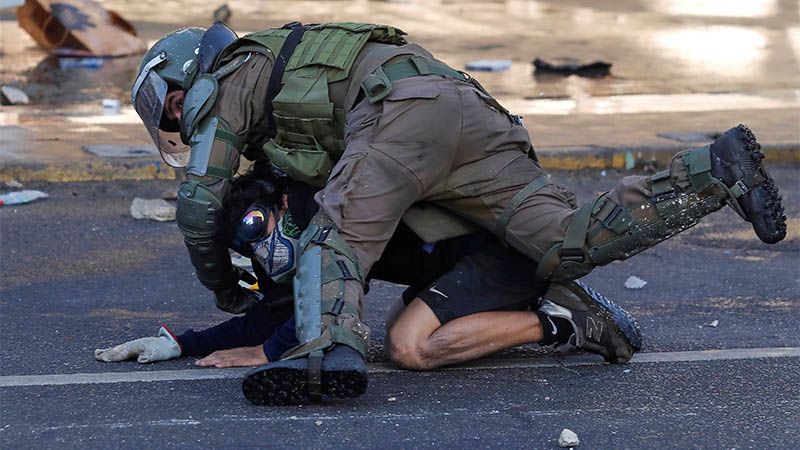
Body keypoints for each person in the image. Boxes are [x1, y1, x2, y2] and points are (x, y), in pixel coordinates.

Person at [131, 21, 786, 405]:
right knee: (566, 240)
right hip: (466, 109)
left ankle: (323, 357)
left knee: (337, 234)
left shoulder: (231, 77)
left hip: (399, 110)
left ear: (186, 78)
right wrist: (191, 341)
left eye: (170, 106)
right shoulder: (285, 119)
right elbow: (289, 279)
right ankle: (712, 171)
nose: (179, 122)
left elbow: (198, 202)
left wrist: (225, 291)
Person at [95, 171, 641, 402]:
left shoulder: (327, 209)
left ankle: (566, 323)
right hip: (457, 261)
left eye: (257, 227)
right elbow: (281, 310)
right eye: (247, 246)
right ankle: (544, 303)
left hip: (498, 253)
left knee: (409, 346)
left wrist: (269, 352)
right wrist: (182, 343)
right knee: (398, 328)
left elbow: (305, 319)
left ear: (281, 201)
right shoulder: (296, 227)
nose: (261, 248)